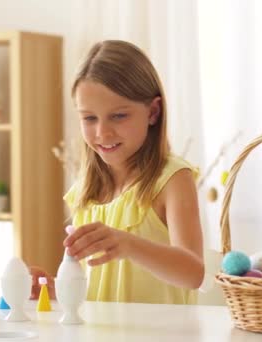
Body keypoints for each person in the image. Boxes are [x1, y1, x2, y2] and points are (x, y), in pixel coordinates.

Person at [30, 40, 204, 304]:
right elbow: (97, 285)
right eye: (89, 118)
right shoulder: (85, 191)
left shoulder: (172, 179)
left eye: (119, 116)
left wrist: (128, 244)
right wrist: (54, 290)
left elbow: (193, 274)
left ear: (153, 112)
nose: (103, 132)